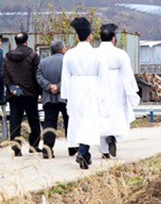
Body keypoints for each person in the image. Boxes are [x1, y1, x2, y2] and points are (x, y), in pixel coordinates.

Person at [60, 17, 105, 169]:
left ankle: (84, 154)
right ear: (90, 36)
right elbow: (103, 76)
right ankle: (83, 151)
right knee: (89, 121)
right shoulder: (96, 54)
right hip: (92, 87)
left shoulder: (69, 54)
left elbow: (65, 77)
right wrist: (103, 94)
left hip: (74, 89)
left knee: (77, 121)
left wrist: (66, 95)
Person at [95, 24, 140, 158]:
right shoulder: (120, 54)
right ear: (113, 39)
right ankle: (113, 137)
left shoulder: (94, 53)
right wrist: (132, 90)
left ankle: (104, 150)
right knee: (117, 114)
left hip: (99, 85)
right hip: (117, 86)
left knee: (101, 116)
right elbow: (127, 74)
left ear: (100, 39)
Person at [1, 32, 42, 156]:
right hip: (30, 94)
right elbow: (37, 75)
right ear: (26, 42)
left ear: (16, 42)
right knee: (34, 120)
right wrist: (39, 92)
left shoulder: (7, 57)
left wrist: (12, 88)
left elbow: (3, 75)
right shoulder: (33, 56)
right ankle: (34, 145)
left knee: (15, 120)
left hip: (14, 94)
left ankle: (16, 148)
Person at [36, 40, 72, 159]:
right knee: (69, 121)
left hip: (48, 97)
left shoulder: (43, 62)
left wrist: (49, 86)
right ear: (62, 49)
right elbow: (70, 77)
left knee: (49, 122)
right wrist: (59, 86)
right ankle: (72, 147)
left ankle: (47, 149)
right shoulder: (67, 61)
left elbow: (39, 77)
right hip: (65, 97)